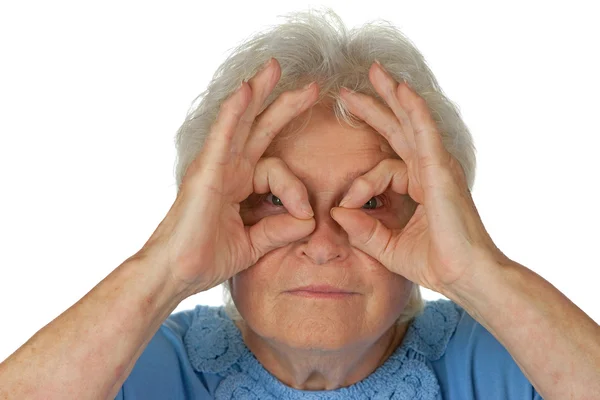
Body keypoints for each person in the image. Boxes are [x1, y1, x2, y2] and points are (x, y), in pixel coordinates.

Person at [1, 8, 598, 400]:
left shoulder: (504, 359)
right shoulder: (134, 362)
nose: (321, 243)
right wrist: (161, 272)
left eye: (371, 201)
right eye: (272, 199)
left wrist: (479, 274)